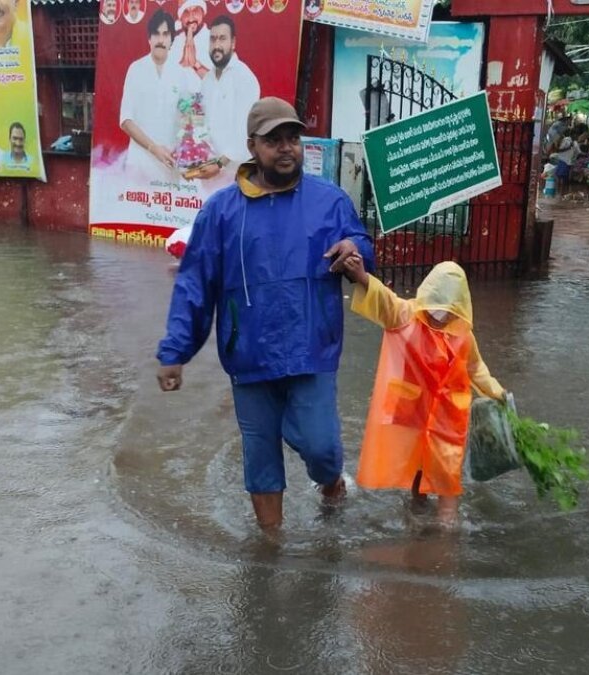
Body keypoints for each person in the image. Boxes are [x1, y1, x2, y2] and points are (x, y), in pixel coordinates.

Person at [156, 97, 374, 532]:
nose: (286, 148)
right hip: (249, 357)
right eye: (274, 140)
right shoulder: (220, 212)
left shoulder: (329, 201)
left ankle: (331, 485)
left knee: (320, 445)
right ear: (252, 146)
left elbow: (360, 240)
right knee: (260, 458)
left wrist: (355, 251)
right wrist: (175, 351)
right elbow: (195, 284)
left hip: (311, 350)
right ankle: (270, 554)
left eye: (292, 138)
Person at [339, 257, 506, 527]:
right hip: (412, 413)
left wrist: (498, 394)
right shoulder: (406, 316)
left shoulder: (463, 334)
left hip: (448, 419)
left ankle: (445, 533)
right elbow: (383, 299)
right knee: (417, 472)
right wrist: (361, 276)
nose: (440, 317)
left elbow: (477, 370)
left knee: (447, 475)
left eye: (449, 311)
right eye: (436, 309)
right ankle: (417, 516)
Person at [120, 10, 197, 182]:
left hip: (170, 165)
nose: (160, 40)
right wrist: (153, 148)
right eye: (156, 34)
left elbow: (187, 118)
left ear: (171, 40)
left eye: (165, 34)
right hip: (140, 163)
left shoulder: (180, 74)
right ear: (149, 39)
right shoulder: (136, 70)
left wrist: (184, 154)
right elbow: (126, 121)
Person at [197, 15, 259, 192]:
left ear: (233, 43)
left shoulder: (244, 77)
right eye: (213, 39)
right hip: (209, 175)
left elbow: (244, 131)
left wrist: (219, 163)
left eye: (222, 39)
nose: (216, 45)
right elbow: (201, 124)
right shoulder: (207, 81)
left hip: (237, 176)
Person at [172, 0, 212, 79]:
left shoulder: (216, 39)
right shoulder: (175, 43)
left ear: (203, 12)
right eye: (186, 12)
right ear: (181, 18)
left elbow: (223, 85)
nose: (191, 17)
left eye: (195, 10)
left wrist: (195, 64)